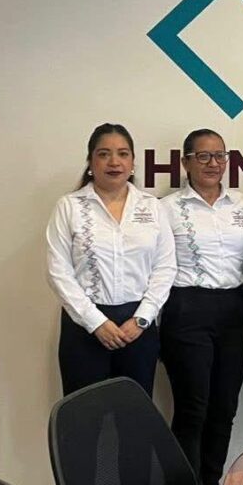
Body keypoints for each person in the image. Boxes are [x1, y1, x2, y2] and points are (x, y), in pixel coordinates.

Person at [160, 129, 243, 485]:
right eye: (203, 156)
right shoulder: (167, 208)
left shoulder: (242, 205)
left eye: (219, 156)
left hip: (232, 309)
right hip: (186, 308)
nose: (213, 164)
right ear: (185, 161)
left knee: (224, 406)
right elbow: (158, 264)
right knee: (193, 407)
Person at [46, 123, 176, 397]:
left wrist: (142, 319)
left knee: (133, 413)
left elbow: (165, 267)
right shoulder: (69, 206)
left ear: (133, 162)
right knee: (85, 414)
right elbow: (58, 272)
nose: (114, 162)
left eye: (123, 154)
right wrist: (96, 322)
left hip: (137, 328)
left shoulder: (152, 207)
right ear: (90, 162)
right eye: (104, 154)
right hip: (84, 327)